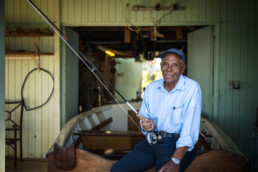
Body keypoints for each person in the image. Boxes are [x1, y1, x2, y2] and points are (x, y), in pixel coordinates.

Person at [111, 48, 202, 172]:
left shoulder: (192, 88)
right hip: (152, 142)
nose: (169, 69)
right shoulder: (152, 88)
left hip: (176, 144)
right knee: (117, 170)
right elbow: (144, 117)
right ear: (160, 66)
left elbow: (189, 131)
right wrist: (146, 125)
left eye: (174, 65)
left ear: (183, 68)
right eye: (166, 64)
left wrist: (175, 160)